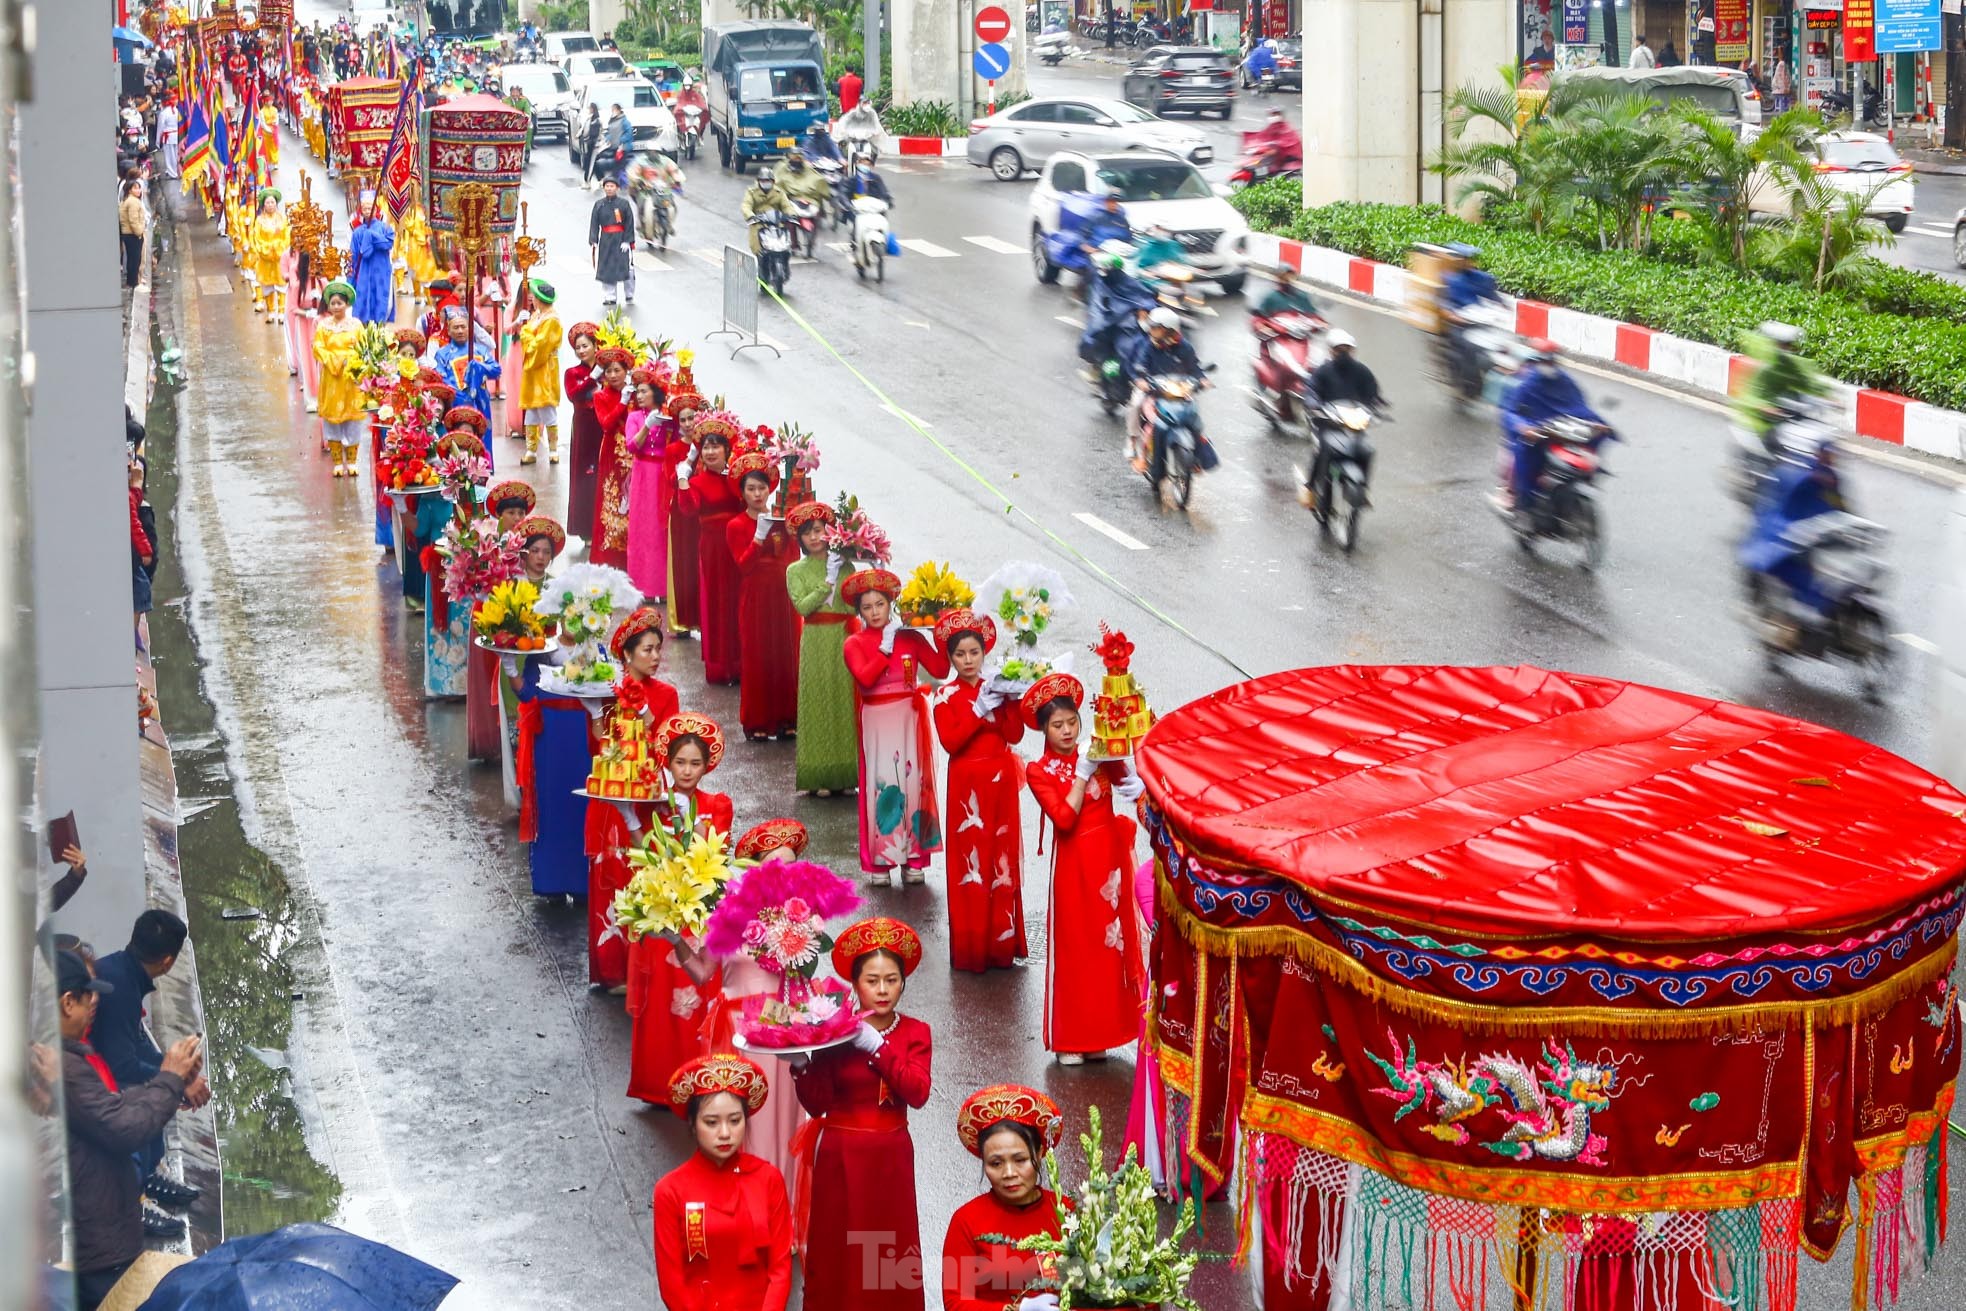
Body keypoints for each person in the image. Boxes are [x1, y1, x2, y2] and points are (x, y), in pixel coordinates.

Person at [790, 918, 933, 1310]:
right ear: (855, 984)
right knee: (840, 1247)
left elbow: (917, 1092)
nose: (883, 990)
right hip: (841, 1155)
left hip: (891, 1157)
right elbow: (816, 1102)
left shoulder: (916, 1032)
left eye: (891, 979)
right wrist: (802, 1065)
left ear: (903, 982)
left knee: (889, 1247)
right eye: (872, 980)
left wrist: (876, 1047)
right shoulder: (835, 1032)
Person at [59, 949, 204, 1310]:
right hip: (99, 1243)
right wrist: (169, 1079)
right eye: (86, 994)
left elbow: (111, 1105)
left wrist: (170, 1088)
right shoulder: (62, 1066)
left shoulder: (74, 1055)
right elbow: (122, 1126)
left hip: (107, 1230)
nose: (96, 1002)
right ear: (66, 1002)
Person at [1020, 674, 1145, 1065]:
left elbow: (1134, 784)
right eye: (1057, 726)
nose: (1067, 732)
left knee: (1110, 948)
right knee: (1076, 947)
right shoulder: (1038, 771)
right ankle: (1070, 1038)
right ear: (1044, 729)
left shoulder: (1097, 752)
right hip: (1074, 866)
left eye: (1072, 723)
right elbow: (1064, 818)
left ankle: (1102, 1035)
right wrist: (1082, 774)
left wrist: (1127, 736)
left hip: (1109, 864)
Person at [623, 712, 731, 1097]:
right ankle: (658, 1084)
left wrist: (687, 821)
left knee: (692, 996)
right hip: (662, 909)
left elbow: (709, 851)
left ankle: (698, 1077)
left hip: (698, 913)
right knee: (661, 996)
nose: (686, 770)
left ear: (706, 766)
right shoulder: (654, 803)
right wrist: (630, 820)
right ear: (668, 763)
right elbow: (647, 854)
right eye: (680, 762)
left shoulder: (717, 804)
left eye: (695, 763)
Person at [584, 608, 684, 990]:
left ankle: (644, 965)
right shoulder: (604, 689)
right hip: (610, 795)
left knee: (642, 875)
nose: (655, 656)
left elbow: (665, 751)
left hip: (646, 796)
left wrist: (645, 717)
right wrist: (595, 716)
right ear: (626, 655)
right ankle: (612, 970)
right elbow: (599, 745)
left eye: (658, 649)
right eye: (647, 649)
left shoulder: (666, 695)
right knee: (612, 877)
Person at [88, 911, 209, 1210]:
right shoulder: (119, 987)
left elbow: (140, 1048)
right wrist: (177, 1080)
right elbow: (123, 1066)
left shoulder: (124, 972)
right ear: (167, 961)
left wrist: (183, 1073)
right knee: (149, 1091)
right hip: (97, 1083)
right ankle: (135, 1192)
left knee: (161, 1078)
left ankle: (151, 1170)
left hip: (105, 1069)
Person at [654, 1055, 794, 1311]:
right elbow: (671, 1282)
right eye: (711, 1122)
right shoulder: (670, 1191)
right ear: (693, 1124)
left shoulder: (768, 1179)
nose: (725, 1133)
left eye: (734, 1120)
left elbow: (781, 1268)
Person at [932, 609, 1027, 972]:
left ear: (983, 652)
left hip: (1001, 783)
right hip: (966, 788)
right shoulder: (945, 695)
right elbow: (951, 741)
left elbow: (1015, 735)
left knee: (1001, 861)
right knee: (970, 864)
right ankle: (972, 949)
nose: (968, 661)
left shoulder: (996, 687)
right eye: (960, 654)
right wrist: (978, 710)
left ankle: (1001, 947)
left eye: (974, 653)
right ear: (951, 657)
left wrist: (1012, 700)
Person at [841, 570, 949, 885]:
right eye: (867, 607)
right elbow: (865, 677)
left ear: (891, 605)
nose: (875, 612)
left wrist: (939, 630)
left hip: (908, 716)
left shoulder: (910, 638)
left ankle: (915, 858)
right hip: (877, 718)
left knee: (914, 783)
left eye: (880, 604)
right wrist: (885, 647)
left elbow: (940, 668)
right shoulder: (854, 643)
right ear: (859, 611)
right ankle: (881, 862)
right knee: (882, 783)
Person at [941, 1085, 1068, 1311]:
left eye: (1020, 1160)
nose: (1009, 1173)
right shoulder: (966, 1221)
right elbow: (955, 1302)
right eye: (996, 1163)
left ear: (1039, 1154)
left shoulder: (1068, 1212)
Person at [784, 503, 858, 795]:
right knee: (816, 699)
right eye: (807, 533)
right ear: (799, 539)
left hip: (843, 636)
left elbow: (855, 603)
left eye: (819, 531)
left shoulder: (845, 564)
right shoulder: (795, 570)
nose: (814, 537)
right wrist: (826, 583)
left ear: (829, 533)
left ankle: (845, 772)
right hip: (815, 637)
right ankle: (818, 775)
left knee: (843, 699)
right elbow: (802, 606)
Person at [727, 458, 802, 740]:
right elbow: (743, 566)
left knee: (785, 654)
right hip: (755, 596)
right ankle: (756, 720)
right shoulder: (735, 525)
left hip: (782, 594)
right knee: (757, 655)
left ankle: (787, 717)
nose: (757, 494)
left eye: (761, 488)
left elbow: (793, 558)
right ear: (743, 492)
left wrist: (794, 534)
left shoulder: (781, 520)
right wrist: (758, 538)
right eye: (751, 489)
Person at [1739, 439, 1846, 624]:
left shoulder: (1830, 478)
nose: (1830, 459)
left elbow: (1841, 507)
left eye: (1833, 455)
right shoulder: (1798, 477)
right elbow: (1779, 507)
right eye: (1827, 455)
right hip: (1790, 533)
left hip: (1820, 531)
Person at [1499, 339, 1606, 514]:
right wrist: (1524, 427)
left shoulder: (1565, 381)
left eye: (1551, 361)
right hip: (1536, 432)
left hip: (1562, 431)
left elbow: (1579, 406)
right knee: (1526, 458)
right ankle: (1524, 500)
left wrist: (1596, 423)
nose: (1549, 364)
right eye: (1545, 361)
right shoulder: (1525, 384)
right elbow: (1511, 412)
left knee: (1591, 443)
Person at [680, 418, 745, 683]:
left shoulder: (738, 479)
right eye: (706, 447)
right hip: (713, 548)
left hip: (739, 544)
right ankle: (719, 666)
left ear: (727, 451)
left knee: (738, 601)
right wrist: (683, 480)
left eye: (716, 446)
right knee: (716, 601)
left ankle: (741, 664)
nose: (710, 451)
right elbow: (687, 509)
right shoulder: (697, 482)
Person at [626, 367, 690, 602]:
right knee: (642, 528)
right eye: (637, 392)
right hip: (642, 473)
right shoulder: (634, 418)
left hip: (662, 474)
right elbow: (632, 446)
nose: (639, 396)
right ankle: (641, 586)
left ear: (655, 394)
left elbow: (681, 439)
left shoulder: (668, 419)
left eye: (644, 391)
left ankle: (663, 587)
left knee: (661, 528)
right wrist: (647, 426)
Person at [1301, 330, 1384, 510]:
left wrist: (1376, 405)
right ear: (1331, 351)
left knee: (1367, 451)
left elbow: (1372, 393)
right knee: (1322, 450)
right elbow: (1311, 390)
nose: (1343, 352)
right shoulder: (1322, 371)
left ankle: (1363, 489)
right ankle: (1311, 488)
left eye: (1347, 348)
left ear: (1353, 350)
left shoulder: (1362, 371)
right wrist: (1314, 404)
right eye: (1339, 349)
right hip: (1327, 423)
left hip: (1353, 425)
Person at [1124, 306, 1205, 483]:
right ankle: (1135, 446)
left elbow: (1195, 368)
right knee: (1136, 405)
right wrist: (1141, 380)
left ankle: (1197, 456)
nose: (1152, 331)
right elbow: (1140, 365)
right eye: (1151, 327)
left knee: (1194, 418)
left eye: (1156, 327)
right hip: (1152, 390)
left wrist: (1202, 380)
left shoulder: (1184, 347)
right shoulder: (1148, 345)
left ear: (1168, 329)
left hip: (1178, 390)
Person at [1735, 320, 1828, 446]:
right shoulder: (1761, 366)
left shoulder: (1786, 363)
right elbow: (1748, 396)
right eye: (1782, 344)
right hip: (1759, 421)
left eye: (1788, 344)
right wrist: (1763, 407)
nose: (1786, 348)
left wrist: (1826, 395)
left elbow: (1804, 382)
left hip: (1783, 413)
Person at [588, 348, 639, 567]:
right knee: (612, 498)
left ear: (626, 371)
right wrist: (622, 403)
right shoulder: (600, 396)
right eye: (608, 371)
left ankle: (632, 552)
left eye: (617, 370)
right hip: (612, 453)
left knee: (633, 498)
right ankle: (609, 555)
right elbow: (606, 424)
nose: (612, 375)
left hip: (633, 452)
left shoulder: (637, 395)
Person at [431, 310, 503, 457]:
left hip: (479, 404)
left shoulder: (480, 350)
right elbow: (440, 378)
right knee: (457, 442)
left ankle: (483, 471)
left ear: (469, 329)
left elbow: (496, 370)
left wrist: (479, 367)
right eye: (456, 327)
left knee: (480, 440)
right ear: (449, 330)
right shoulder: (443, 354)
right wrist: (461, 394)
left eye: (463, 327)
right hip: (456, 407)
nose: (460, 331)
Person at [313, 280, 366, 478]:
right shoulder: (323, 326)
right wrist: (334, 360)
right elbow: (318, 347)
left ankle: (351, 461)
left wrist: (352, 362)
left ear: (347, 304)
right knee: (332, 420)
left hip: (351, 378)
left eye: (340, 303)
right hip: (332, 377)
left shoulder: (356, 325)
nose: (336, 307)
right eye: (333, 303)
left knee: (353, 418)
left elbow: (363, 348)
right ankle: (337, 462)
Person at [515, 279, 563, 466]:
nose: (532, 299)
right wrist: (528, 336)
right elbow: (527, 332)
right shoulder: (537, 316)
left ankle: (553, 450)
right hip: (533, 368)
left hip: (544, 367)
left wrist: (527, 338)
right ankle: (531, 450)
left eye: (534, 297)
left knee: (547, 408)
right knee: (531, 411)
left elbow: (541, 344)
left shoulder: (551, 320)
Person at [564, 321, 603, 540]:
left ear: (595, 345)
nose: (581, 350)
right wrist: (593, 377)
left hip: (605, 426)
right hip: (584, 429)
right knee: (584, 477)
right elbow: (574, 394)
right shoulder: (572, 373)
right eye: (578, 347)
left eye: (585, 345)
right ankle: (585, 528)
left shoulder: (609, 369)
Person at [590, 177, 636, 306]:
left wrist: (627, 241)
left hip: (621, 239)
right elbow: (594, 223)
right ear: (604, 188)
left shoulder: (624, 204)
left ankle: (629, 294)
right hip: (606, 240)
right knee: (607, 268)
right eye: (607, 186)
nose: (609, 188)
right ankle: (609, 296)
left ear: (617, 188)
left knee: (627, 268)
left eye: (612, 186)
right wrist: (594, 240)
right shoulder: (599, 204)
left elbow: (629, 223)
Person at [247, 189, 291, 322]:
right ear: (263, 205)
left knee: (281, 285)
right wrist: (265, 249)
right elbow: (256, 238)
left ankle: (282, 312)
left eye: (272, 202)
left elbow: (287, 237)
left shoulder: (283, 219)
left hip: (279, 258)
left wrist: (278, 247)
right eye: (268, 202)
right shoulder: (259, 221)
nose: (270, 205)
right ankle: (271, 311)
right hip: (265, 258)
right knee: (267, 286)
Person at [349, 206, 396, 326]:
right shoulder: (357, 232)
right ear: (361, 212)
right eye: (364, 209)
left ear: (376, 211)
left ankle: (380, 330)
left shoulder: (385, 228)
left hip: (382, 271)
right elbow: (353, 257)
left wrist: (372, 236)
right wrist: (351, 280)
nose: (367, 211)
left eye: (370, 209)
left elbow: (388, 244)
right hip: (363, 272)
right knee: (363, 303)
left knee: (381, 299)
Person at [740, 168, 792, 257]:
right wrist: (751, 216)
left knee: (784, 244)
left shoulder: (779, 192)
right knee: (757, 248)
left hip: (776, 222)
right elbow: (746, 205)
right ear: (758, 181)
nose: (765, 182)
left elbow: (787, 206)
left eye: (768, 180)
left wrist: (792, 215)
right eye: (763, 180)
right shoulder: (752, 192)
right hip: (759, 222)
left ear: (773, 181)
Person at [1253, 262, 1318, 319]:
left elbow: (1313, 314)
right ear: (1278, 278)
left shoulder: (1302, 296)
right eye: (1283, 277)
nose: (1287, 279)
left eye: (1290, 276)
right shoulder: (1271, 297)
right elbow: (1260, 317)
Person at [118, 179, 146, 289]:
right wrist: (139, 232)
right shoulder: (133, 202)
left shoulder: (128, 200)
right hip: (133, 234)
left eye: (139, 187)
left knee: (132, 259)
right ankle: (134, 283)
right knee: (135, 260)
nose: (139, 190)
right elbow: (133, 220)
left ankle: (132, 282)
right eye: (135, 188)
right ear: (129, 190)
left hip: (129, 234)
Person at [156, 97, 180, 179]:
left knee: (170, 156)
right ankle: (176, 171)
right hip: (176, 135)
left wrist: (158, 140)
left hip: (168, 136)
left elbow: (160, 127)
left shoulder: (164, 113)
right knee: (176, 155)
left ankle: (172, 173)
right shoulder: (177, 111)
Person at [581, 104, 604, 187]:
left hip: (594, 145)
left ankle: (587, 181)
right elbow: (584, 129)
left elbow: (594, 134)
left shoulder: (596, 121)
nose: (588, 110)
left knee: (589, 163)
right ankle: (601, 178)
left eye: (590, 108)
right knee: (593, 163)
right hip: (589, 144)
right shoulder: (589, 119)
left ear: (593, 109)